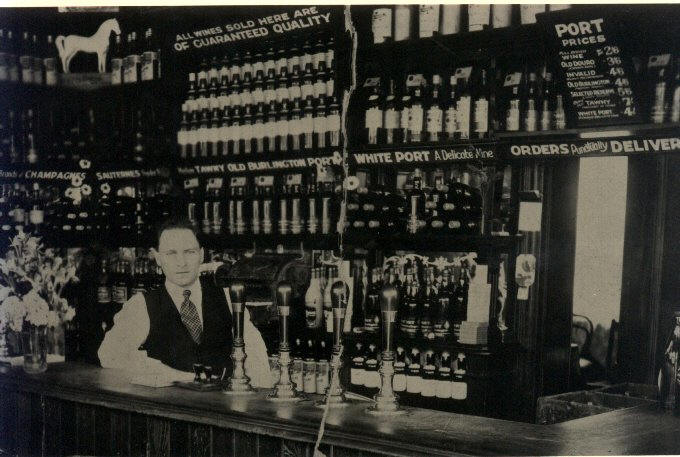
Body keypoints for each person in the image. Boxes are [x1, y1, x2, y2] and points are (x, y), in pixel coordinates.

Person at [98, 218, 271, 388]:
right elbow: (109, 355)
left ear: (201, 255)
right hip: (171, 409)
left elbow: (256, 356)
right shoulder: (141, 304)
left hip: (223, 408)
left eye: (189, 252)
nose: (181, 262)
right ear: (157, 258)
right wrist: (163, 372)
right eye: (171, 254)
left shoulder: (227, 297)